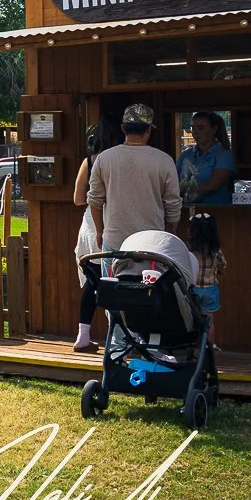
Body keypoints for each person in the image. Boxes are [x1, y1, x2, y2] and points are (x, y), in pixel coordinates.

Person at [80, 104, 183, 352]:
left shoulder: (105, 158)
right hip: (153, 243)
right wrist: (171, 232)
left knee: (114, 295)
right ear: (149, 130)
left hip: (114, 241)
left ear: (124, 128)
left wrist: (101, 229)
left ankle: (117, 347)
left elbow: (94, 199)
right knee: (153, 293)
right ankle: (153, 346)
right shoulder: (163, 160)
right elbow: (173, 203)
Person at [69, 117, 119, 352]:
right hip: (114, 222)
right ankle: (115, 336)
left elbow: (78, 198)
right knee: (116, 281)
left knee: (92, 280)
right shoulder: (119, 161)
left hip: (90, 224)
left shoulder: (89, 161)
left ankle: (83, 335)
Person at [177, 111, 237, 205]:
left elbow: (213, 185)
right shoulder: (185, 156)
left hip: (217, 211)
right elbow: (172, 182)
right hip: (186, 211)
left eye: (200, 128)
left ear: (214, 130)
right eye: (193, 128)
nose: (195, 132)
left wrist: (187, 191)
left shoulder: (224, 155)